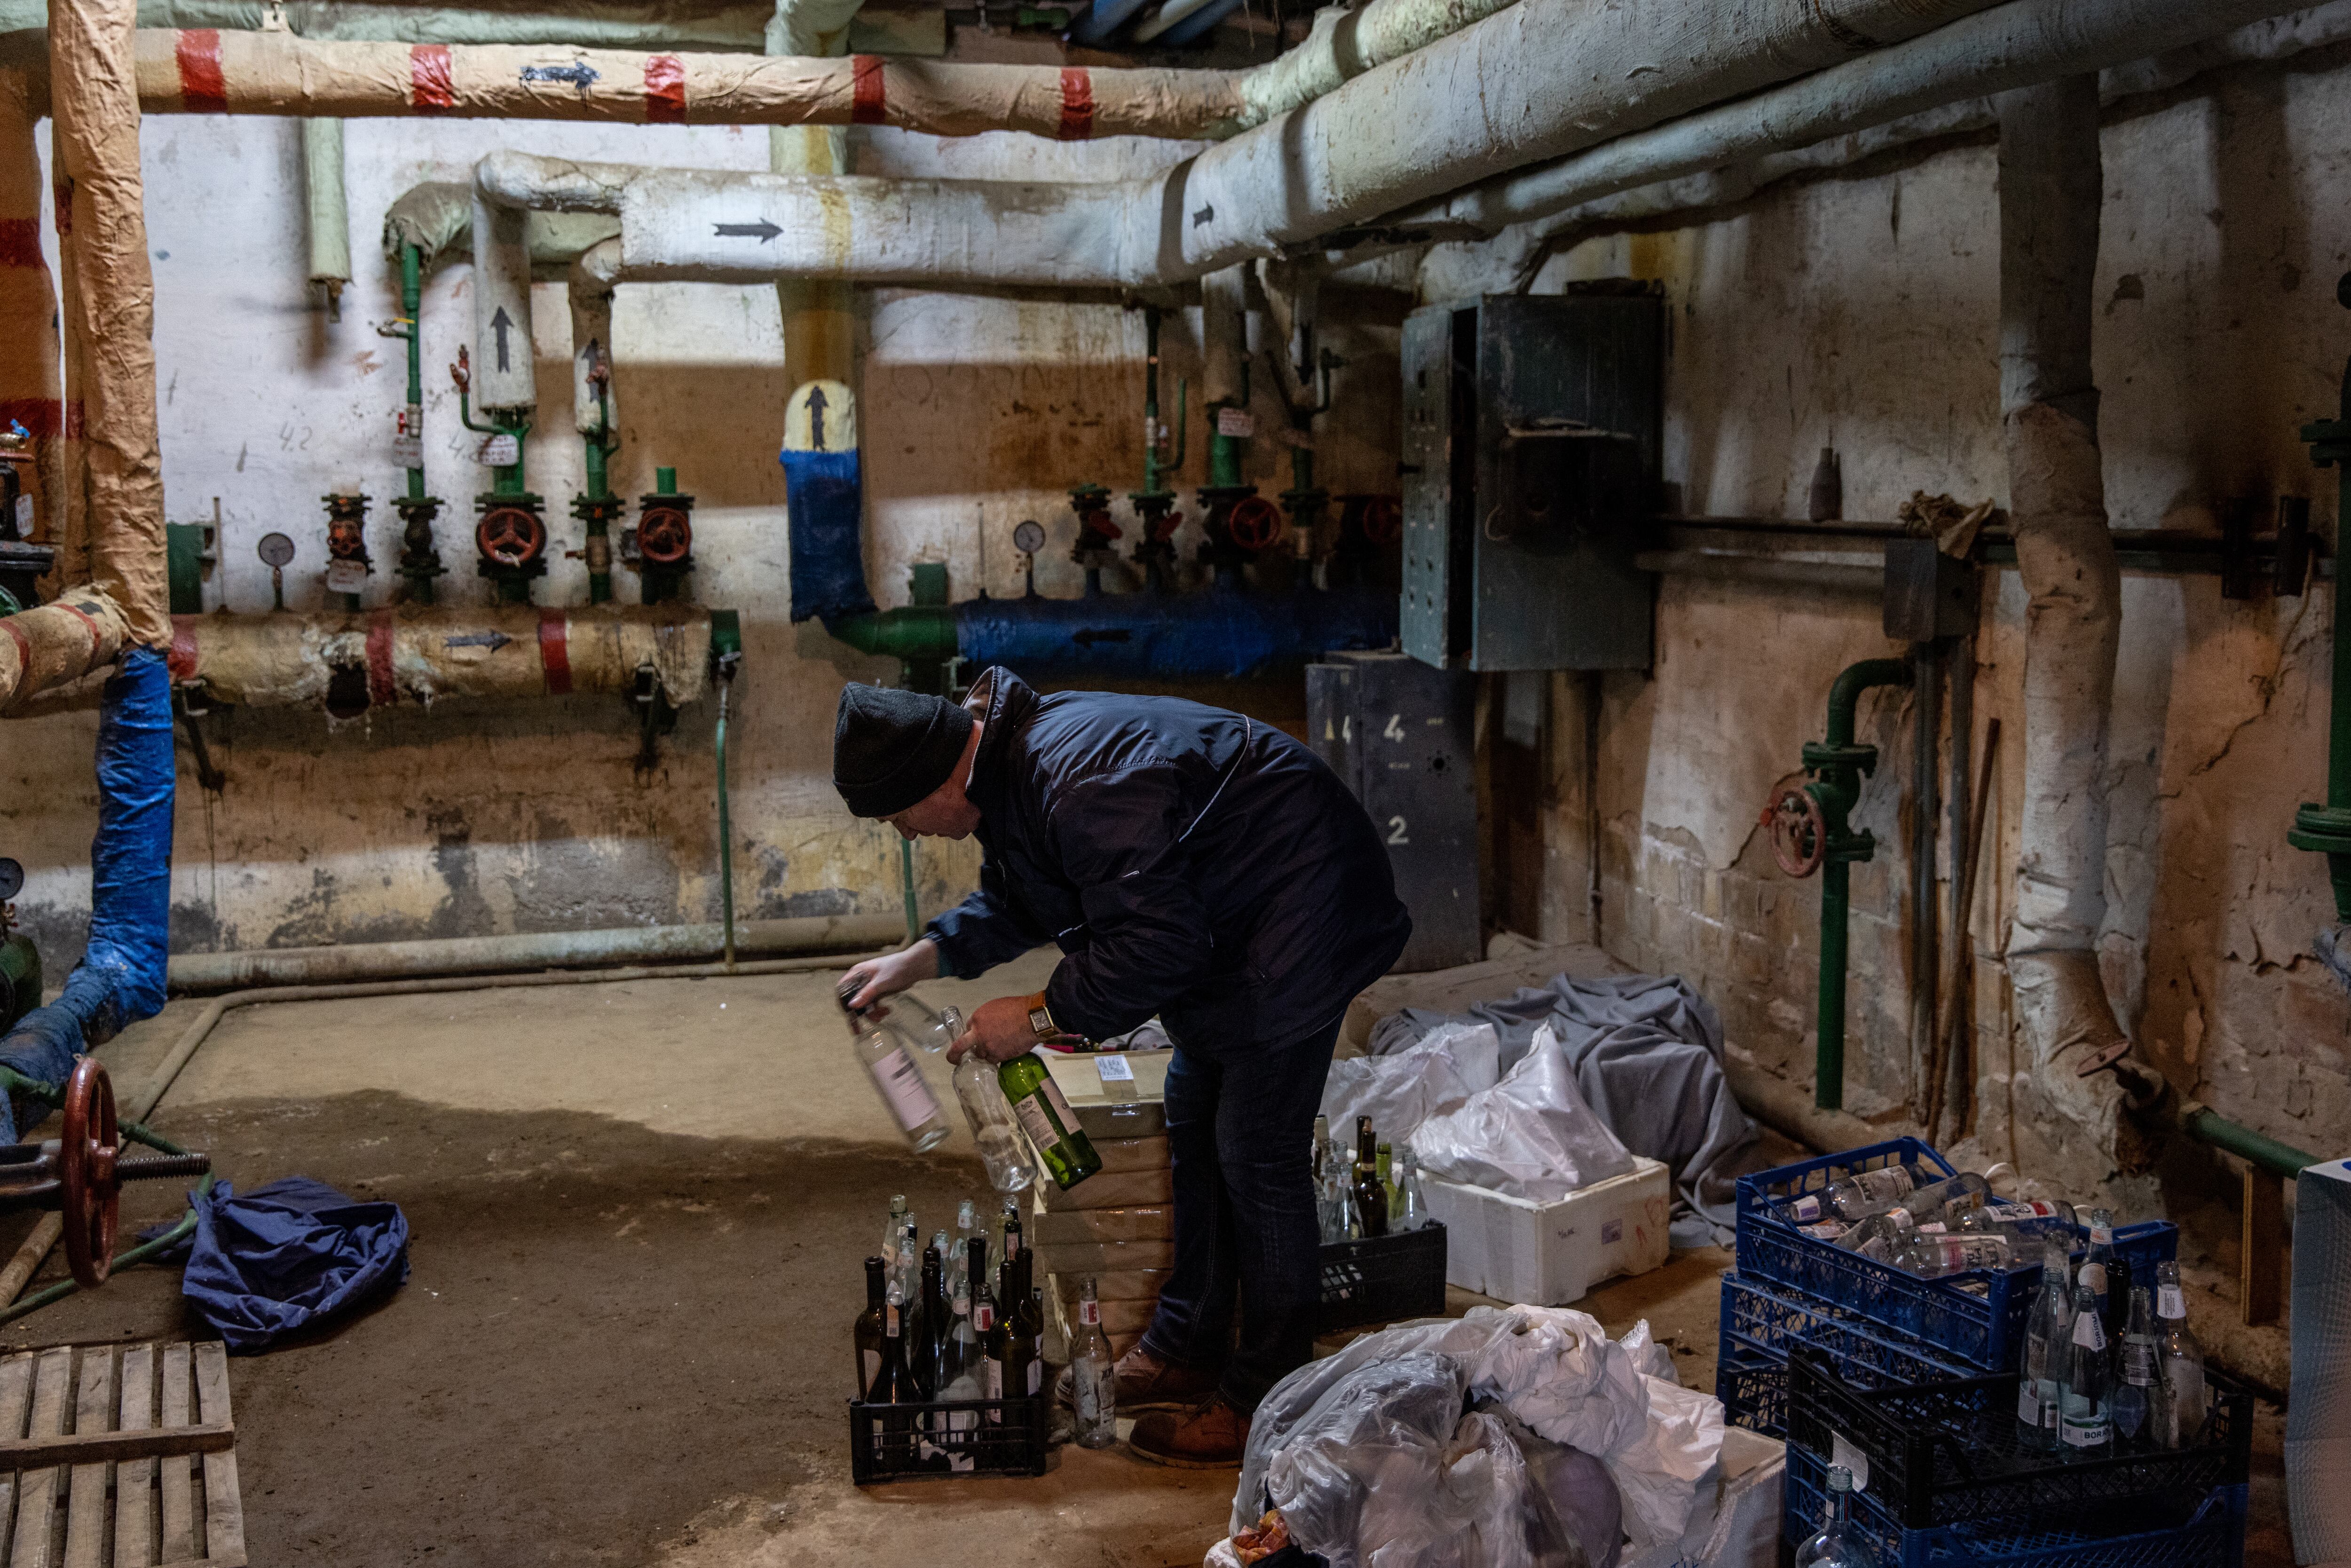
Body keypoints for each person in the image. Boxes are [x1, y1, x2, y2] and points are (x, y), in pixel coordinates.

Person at [834, 667, 1410, 1466]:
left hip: (1303, 905)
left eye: (900, 815)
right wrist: (920, 959)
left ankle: (1267, 1398)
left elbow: (1158, 946)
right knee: (1192, 1110)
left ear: (935, 777)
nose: (907, 834)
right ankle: (1189, 1343)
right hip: (1237, 915)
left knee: (1255, 1149)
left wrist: (1037, 1016)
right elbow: (1025, 897)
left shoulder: (1077, 783)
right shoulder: (1008, 769)